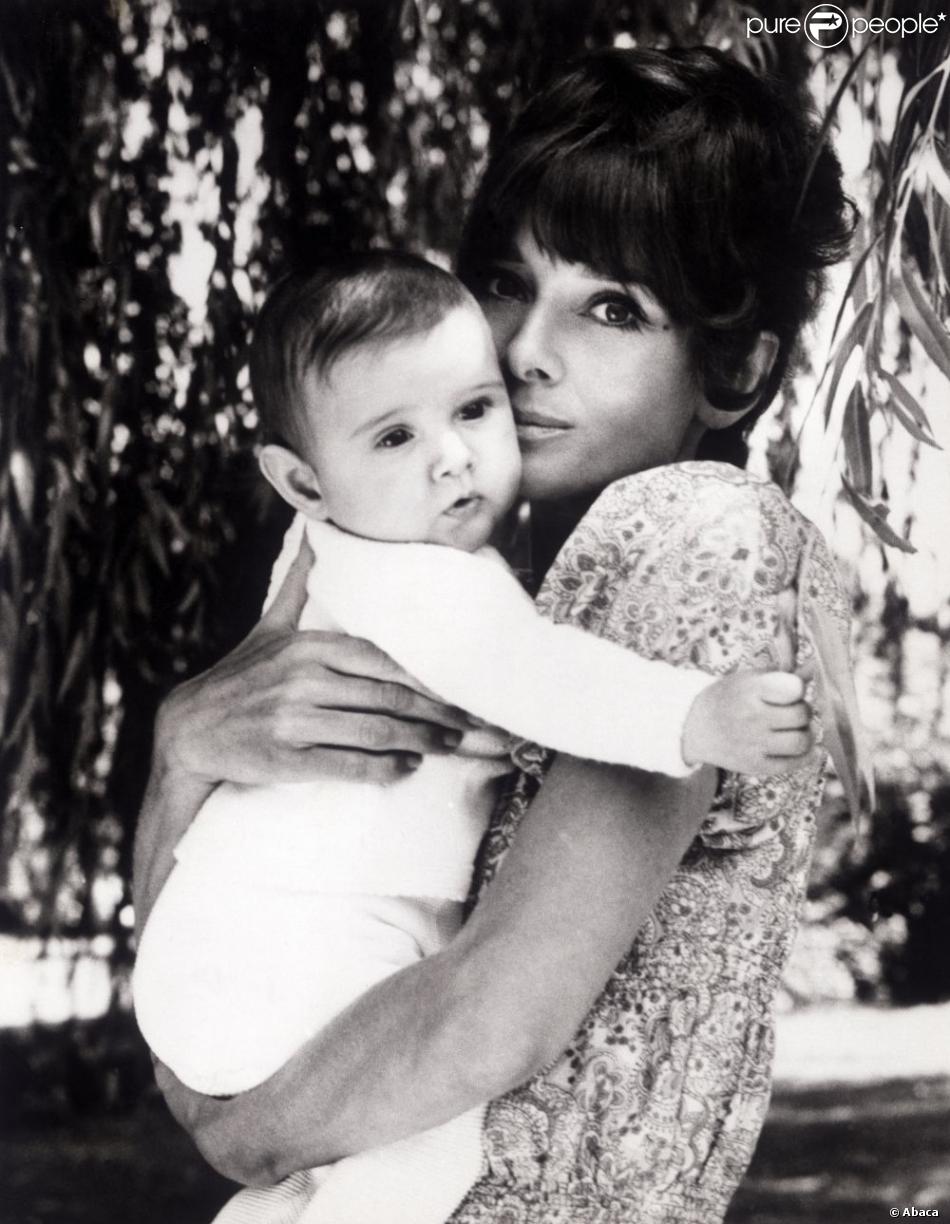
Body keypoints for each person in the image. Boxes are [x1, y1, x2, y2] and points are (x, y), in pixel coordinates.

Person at [133, 46, 855, 1224]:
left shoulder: (692, 531)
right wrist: (183, 749)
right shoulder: (446, 572)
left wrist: (237, 1128)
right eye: (506, 284)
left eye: (612, 308)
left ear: (730, 369)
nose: (523, 350)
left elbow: (490, 1012)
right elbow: (234, 903)